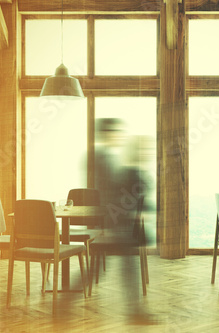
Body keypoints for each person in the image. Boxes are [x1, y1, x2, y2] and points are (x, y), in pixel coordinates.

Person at [94, 119, 158, 325]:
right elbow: (116, 197)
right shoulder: (117, 166)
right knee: (109, 269)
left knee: (107, 268)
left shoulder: (124, 167)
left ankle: (135, 311)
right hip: (120, 226)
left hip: (120, 226)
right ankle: (135, 312)